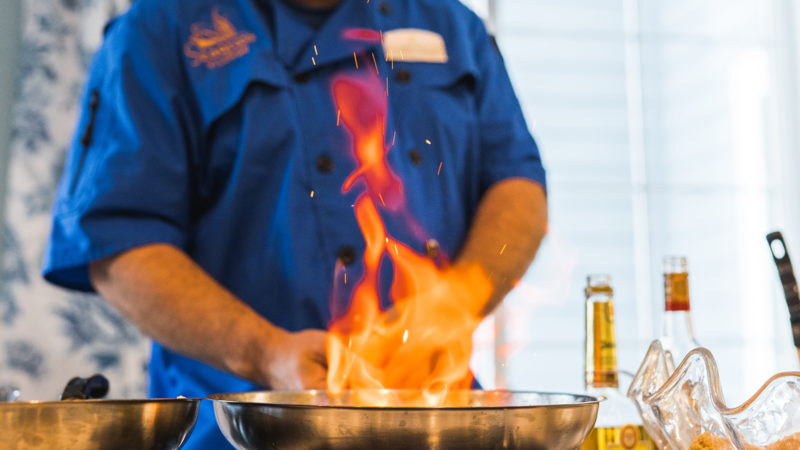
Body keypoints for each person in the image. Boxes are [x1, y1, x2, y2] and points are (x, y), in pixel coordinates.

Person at [42, 0, 548, 447]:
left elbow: (518, 189)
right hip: (236, 426)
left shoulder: (452, 24)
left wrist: (451, 306)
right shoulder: (160, 29)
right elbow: (119, 245)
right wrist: (265, 353)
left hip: (440, 421)